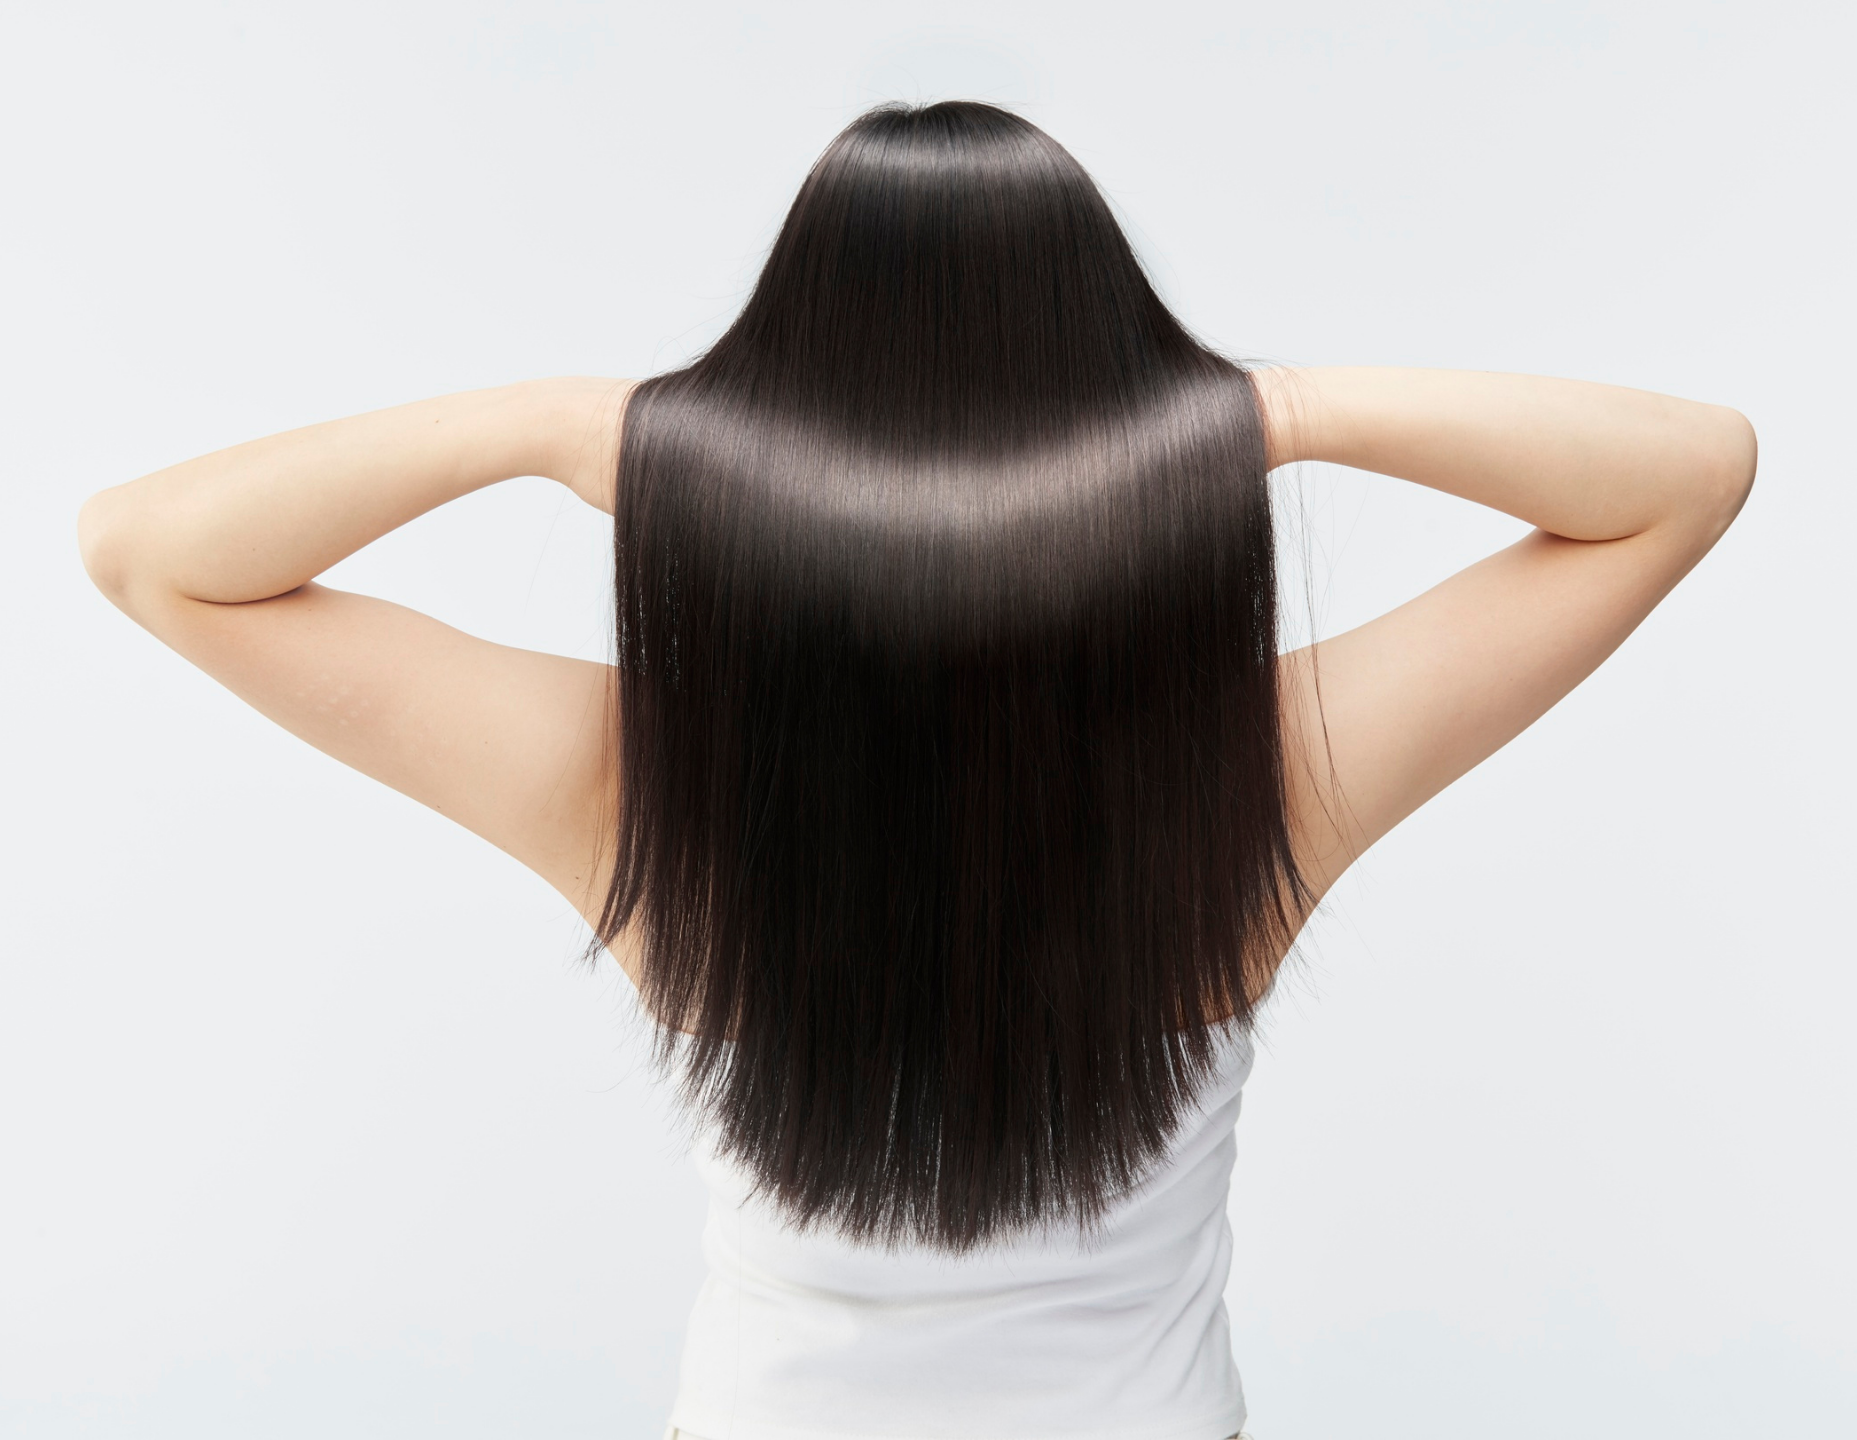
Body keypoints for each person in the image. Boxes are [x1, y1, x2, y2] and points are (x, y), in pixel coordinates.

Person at [76, 101, 1755, 1440]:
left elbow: (153, 555)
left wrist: (553, 426)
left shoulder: (636, 788)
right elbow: (1688, 477)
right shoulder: (1254, 780)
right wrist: (1252, 418)